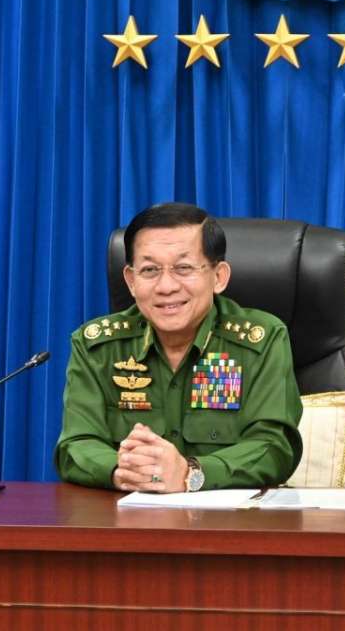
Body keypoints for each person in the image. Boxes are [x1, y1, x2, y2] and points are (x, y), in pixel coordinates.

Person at [54, 203, 302, 492]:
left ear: (219, 277)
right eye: (150, 270)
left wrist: (189, 473)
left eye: (183, 268)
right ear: (131, 281)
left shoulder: (262, 339)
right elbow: (76, 445)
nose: (166, 286)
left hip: (228, 517)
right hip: (127, 513)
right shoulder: (98, 346)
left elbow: (274, 447)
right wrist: (122, 470)